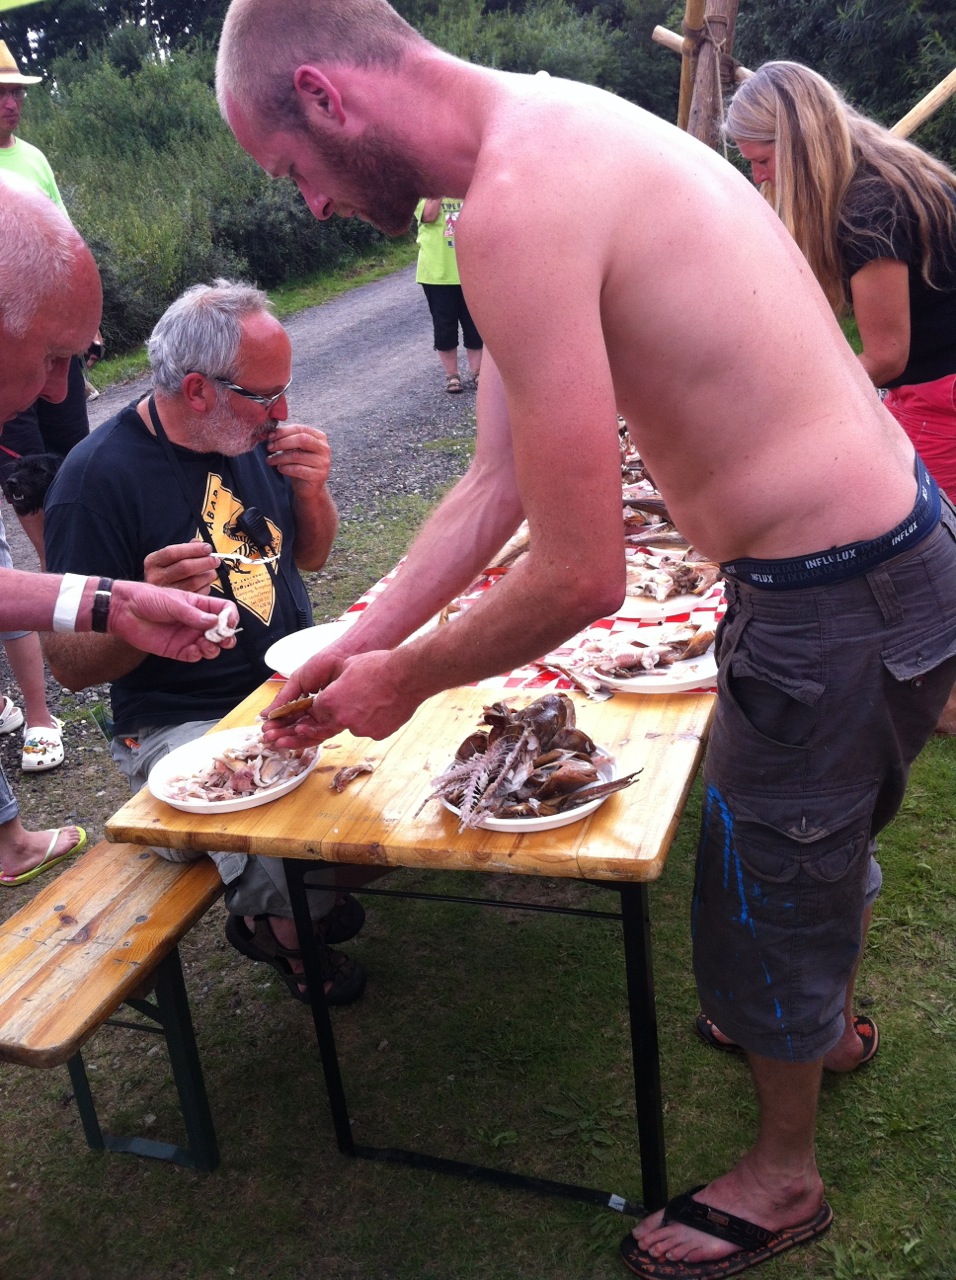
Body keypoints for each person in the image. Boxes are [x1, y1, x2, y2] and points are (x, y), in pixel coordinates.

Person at [215, 3, 956, 1273]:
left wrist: (407, 679)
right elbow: (493, 482)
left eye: (293, 169)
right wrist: (363, 634)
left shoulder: (515, 202)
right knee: (814, 830)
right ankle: (821, 1029)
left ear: (329, 98)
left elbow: (576, 574)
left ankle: (782, 1176)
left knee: (764, 872)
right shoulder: (548, 131)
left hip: (833, 590)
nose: (314, 204)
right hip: (881, 558)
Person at [42, 279, 367, 1007]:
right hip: (177, 721)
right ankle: (284, 928)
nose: (282, 413)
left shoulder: (248, 437)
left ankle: (299, 899)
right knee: (267, 819)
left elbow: (310, 558)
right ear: (197, 390)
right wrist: (138, 614)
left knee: (395, 753)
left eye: (285, 391)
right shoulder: (94, 482)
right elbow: (67, 666)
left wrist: (313, 492)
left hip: (285, 685)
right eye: (266, 395)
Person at [0, 176, 241, 886]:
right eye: (52, 357)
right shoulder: (100, 472)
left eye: (78, 361)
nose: (57, 392)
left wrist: (117, 602)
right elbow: (73, 665)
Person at [724, 61, 956, 742]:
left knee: (919, 557)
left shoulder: (867, 206)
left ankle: (939, 704)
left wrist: (792, 402)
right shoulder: (876, 165)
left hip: (939, 389)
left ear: (796, 143)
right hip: (939, 375)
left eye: (762, 161)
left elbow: (885, 355)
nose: (758, 178)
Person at [0, 38, 102, 774]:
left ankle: (71, 574)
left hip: (40, 332)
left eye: (16, 91)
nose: (11, 104)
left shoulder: (31, 158)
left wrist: (76, 335)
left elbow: (66, 247)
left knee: (68, 459)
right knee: (27, 474)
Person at [414, 196, 482, 392]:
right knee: (444, 326)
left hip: (471, 271)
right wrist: (439, 187)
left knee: (475, 325)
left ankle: (478, 372)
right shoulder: (425, 191)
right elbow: (428, 215)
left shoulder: (466, 188)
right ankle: (452, 376)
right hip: (437, 273)